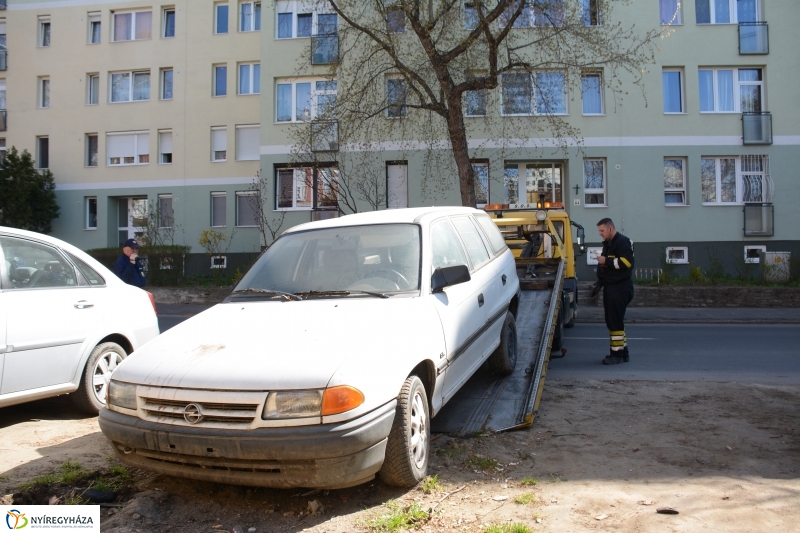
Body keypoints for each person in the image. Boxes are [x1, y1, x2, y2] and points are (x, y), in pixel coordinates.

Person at [594, 218, 634, 365]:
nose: (600, 234)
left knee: (614, 322)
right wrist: (600, 283)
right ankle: (623, 353)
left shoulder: (622, 242)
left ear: (610, 228)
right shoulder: (610, 243)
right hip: (613, 287)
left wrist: (606, 261)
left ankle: (616, 355)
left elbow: (627, 262)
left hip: (619, 288)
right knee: (616, 321)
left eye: (602, 231)